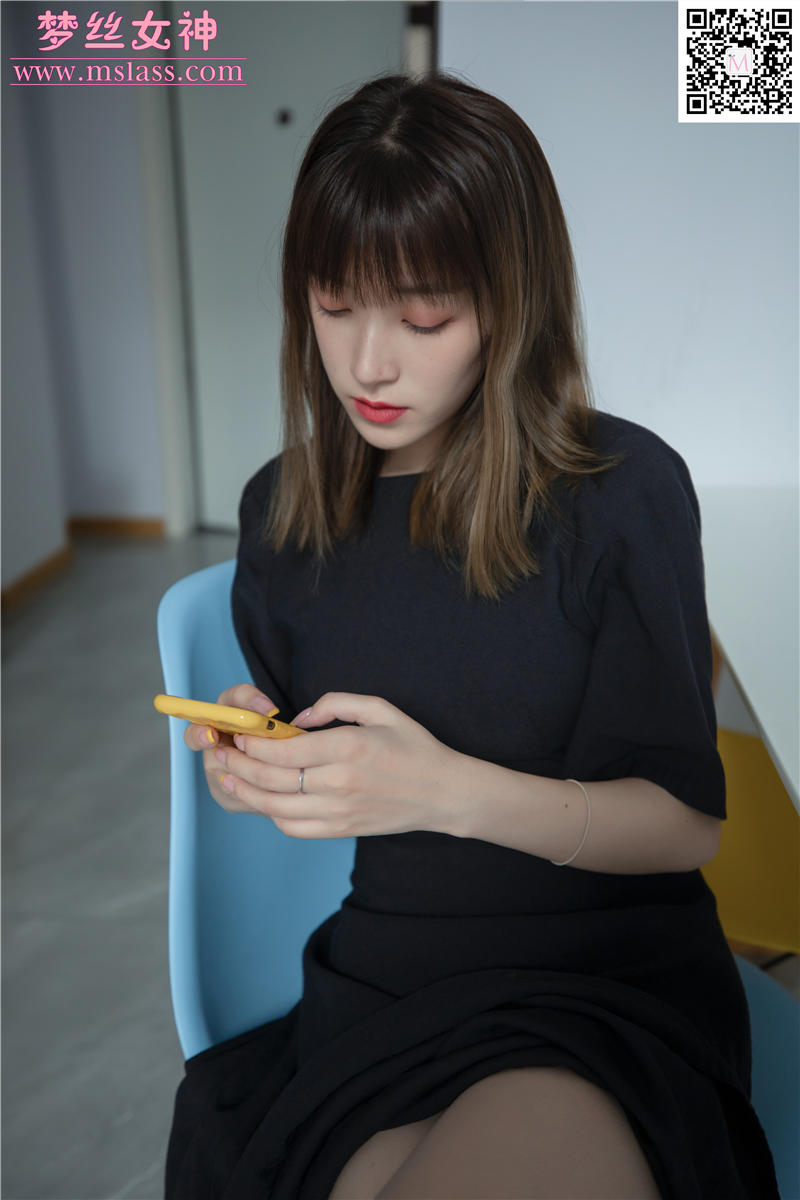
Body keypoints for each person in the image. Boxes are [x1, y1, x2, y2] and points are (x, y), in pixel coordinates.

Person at [165, 71, 779, 1199]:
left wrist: (444, 790)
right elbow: (322, 755)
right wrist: (260, 763)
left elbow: (684, 825)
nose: (368, 364)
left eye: (423, 317)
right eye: (333, 304)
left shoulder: (621, 493)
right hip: (380, 993)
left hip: (600, 992)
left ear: (509, 300)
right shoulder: (282, 513)